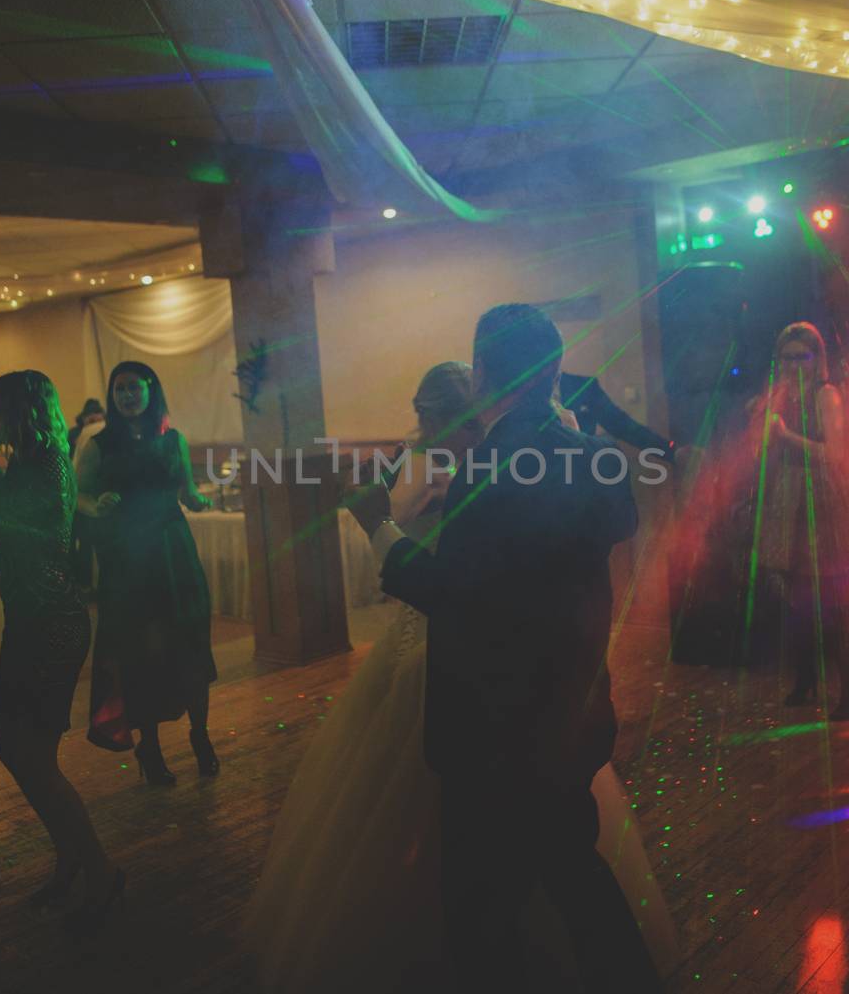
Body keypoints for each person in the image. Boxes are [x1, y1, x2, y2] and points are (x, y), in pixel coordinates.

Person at [244, 361, 676, 992]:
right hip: (497, 680)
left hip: (487, 682)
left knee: (517, 862)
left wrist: (376, 522)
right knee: (534, 859)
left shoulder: (495, 477)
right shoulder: (499, 464)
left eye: (431, 416)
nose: (422, 429)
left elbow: (447, 587)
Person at [346, 305, 662, 993]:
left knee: (479, 914)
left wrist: (377, 527)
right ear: (553, 370)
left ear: (484, 372)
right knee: (574, 877)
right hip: (572, 706)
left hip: (494, 725)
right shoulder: (595, 455)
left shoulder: (489, 464)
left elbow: (450, 590)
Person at [0, 372, 122, 930]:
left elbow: (51, 542)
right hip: (26, 618)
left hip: (52, 623)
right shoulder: (26, 465)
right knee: (19, 751)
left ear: (22, 410)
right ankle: (73, 859)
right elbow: (15, 553)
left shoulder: (53, 461)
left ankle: (98, 868)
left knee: (28, 755)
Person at [75, 361, 218, 782]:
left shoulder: (173, 439)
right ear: (111, 396)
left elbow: (188, 493)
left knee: (189, 644)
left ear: (151, 391)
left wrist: (200, 502)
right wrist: (95, 505)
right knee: (140, 653)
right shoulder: (98, 444)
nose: (127, 396)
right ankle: (150, 749)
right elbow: (77, 496)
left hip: (174, 552)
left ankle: (201, 735)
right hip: (128, 556)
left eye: (134, 388)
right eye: (119, 390)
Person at [749, 321, 849, 719]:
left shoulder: (825, 394)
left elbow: (833, 454)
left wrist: (784, 437)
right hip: (787, 501)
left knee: (824, 602)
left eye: (802, 356)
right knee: (797, 600)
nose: (793, 365)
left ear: (818, 359)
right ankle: (807, 679)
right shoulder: (783, 395)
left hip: (820, 504)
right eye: (786, 358)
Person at [66, 398, 105, 595]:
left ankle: (87, 583)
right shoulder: (73, 435)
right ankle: (82, 583)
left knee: (88, 541)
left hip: (88, 494)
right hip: (76, 494)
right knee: (81, 542)